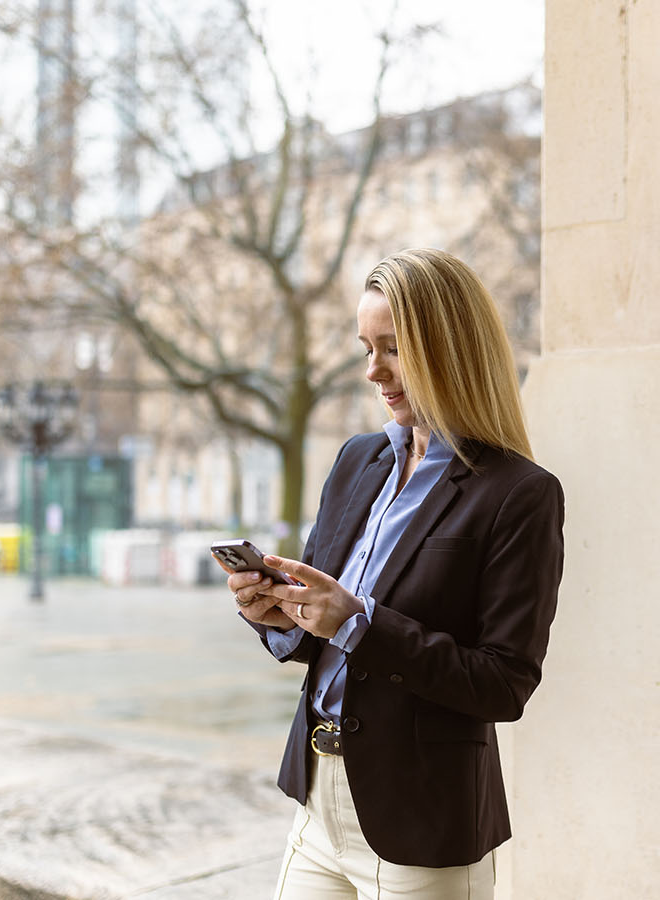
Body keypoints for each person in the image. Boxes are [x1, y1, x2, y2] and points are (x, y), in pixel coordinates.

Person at [228, 248, 564, 900]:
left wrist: (359, 624)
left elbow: (504, 683)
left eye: (392, 348)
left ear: (451, 350)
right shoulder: (358, 461)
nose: (373, 371)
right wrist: (272, 612)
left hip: (424, 820)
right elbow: (314, 624)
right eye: (365, 348)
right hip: (316, 799)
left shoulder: (518, 494)